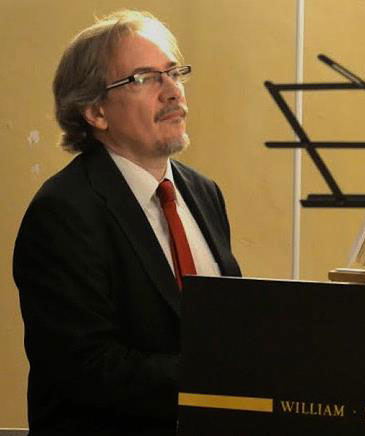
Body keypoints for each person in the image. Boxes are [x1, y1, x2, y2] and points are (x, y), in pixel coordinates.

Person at [13, 10, 241, 435]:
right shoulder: (62, 212)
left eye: (174, 73)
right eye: (145, 79)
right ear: (95, 111)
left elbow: (222, 324)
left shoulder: (204, 192)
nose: (172, 92)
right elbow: (88, 366)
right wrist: (219, 378)